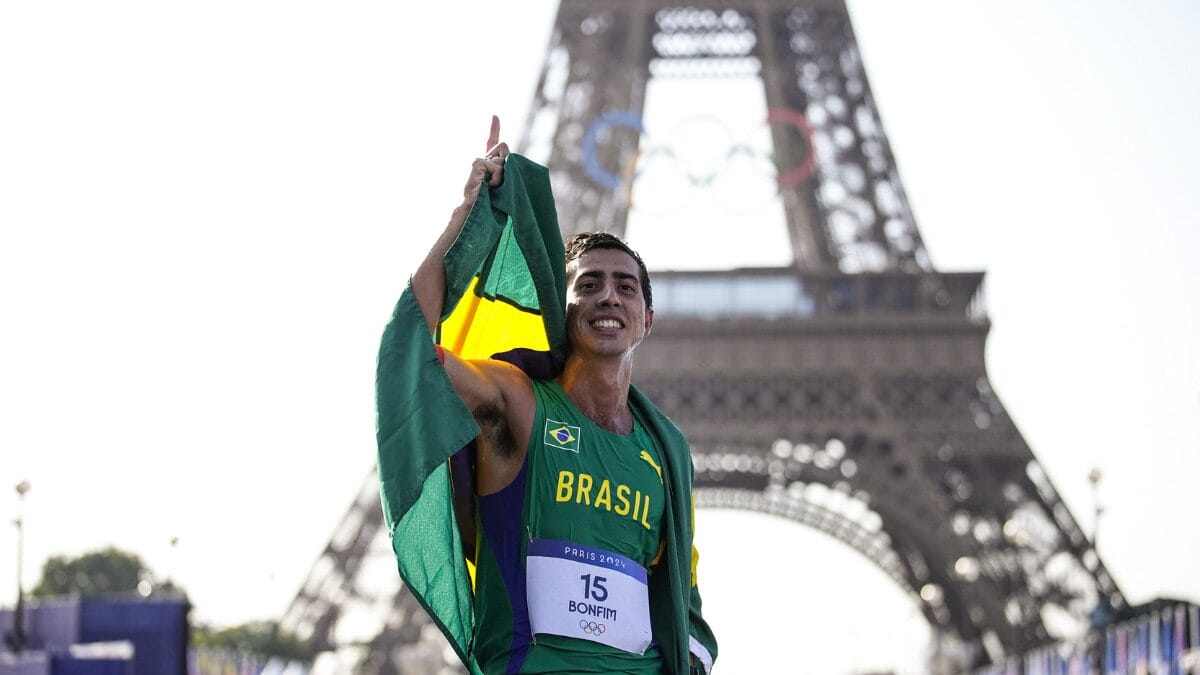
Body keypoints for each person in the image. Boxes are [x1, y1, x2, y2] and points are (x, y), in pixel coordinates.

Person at [378, 116, 717, 674]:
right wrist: (465, 221)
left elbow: (682, 591)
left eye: (625, 287)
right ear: (563, 308)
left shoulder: (665, 451)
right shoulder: (519, 402)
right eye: (589, 284)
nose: (608, 297)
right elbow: (416, 348)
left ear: (647, 319)